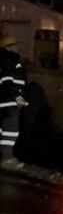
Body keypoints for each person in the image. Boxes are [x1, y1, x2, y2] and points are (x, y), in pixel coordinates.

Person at [0, 35, 27, 168]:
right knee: (11, 130)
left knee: (4, 129)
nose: (17, 47)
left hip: (3, 100)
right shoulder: (11, 59)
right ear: (9, 47)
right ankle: (7, 158)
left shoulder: (3, 60)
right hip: (10, 100)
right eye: (15, 45)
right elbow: (8, 80)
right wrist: (17, 96)